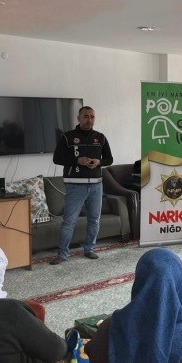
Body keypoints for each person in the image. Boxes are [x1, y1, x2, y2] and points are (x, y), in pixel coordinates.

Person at [50, 105, 113, 265]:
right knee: (69, 222)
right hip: (74, 186)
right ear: (78, 118)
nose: (89, 120)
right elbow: (57, 159)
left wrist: (99, 162)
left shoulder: (100, 137)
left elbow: (109, 159)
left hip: (96, 186)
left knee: (94, 220)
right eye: (86, 116)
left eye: (92, 117)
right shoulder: (67, 137)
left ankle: (89, 249)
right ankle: (62, 254)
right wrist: (77, 160)